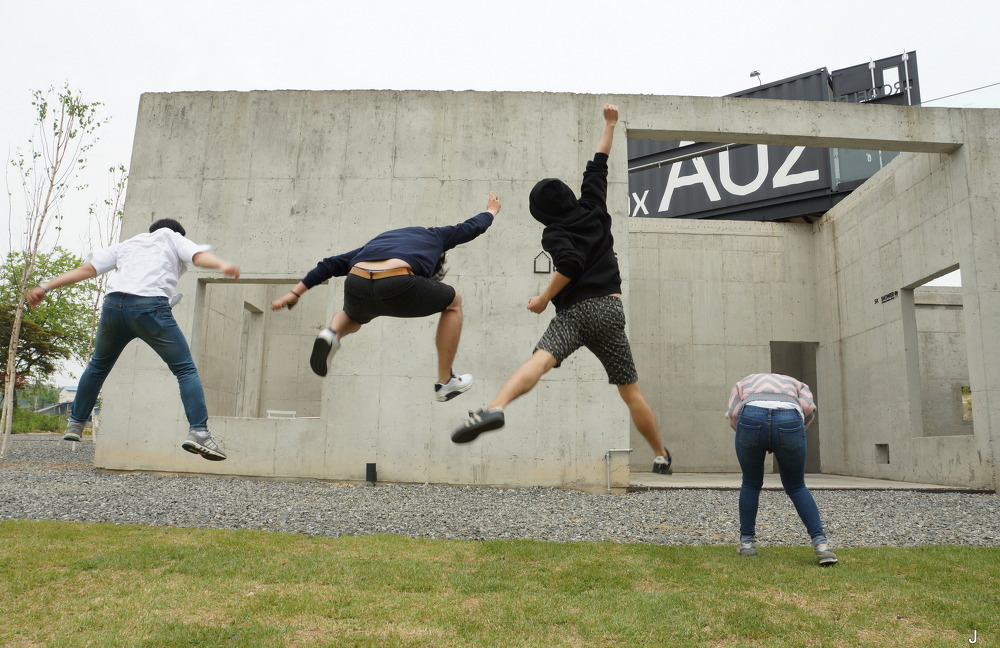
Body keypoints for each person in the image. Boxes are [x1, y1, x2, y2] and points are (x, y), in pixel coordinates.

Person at [450, 105, 672, 475]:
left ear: (542, 214)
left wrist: (543, 299)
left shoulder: (554, 232)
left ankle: (495, 407)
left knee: (538, 361)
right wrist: (610, 124)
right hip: (609, 310)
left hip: (575, 314)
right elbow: (599, 161)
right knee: (630, 391)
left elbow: (571, 264)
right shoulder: (593, 205)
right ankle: (661, 454)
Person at [25, 219, 241, 461]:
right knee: (185, 369)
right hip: (150, 308)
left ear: (150, 231)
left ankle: (75, 423)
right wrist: (222, 264)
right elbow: (198, 257)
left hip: (113, 308)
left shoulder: (128, 244)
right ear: (178, 233)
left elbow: (88, 270)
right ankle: (199, 433)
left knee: (97, 366)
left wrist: (45, 287)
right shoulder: (172, 238)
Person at [271, 193, 501, 401]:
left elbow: (328, 265)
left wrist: (294, 294)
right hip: (397, 280)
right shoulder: (437, 236)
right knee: (454, 302)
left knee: (353, 317)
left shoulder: (375, 243)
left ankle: (332, 333)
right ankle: (445, 382)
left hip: (357, 279)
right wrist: (491, 211)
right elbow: (471, 227)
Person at [725, 373, 838, 566]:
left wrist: (745, 433)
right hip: (790, 418)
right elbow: (809, 409)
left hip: (751, 416)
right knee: (796, 486)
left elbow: (733, 414)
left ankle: (747, 544)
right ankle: (822, 546)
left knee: (751, 483)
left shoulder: (744, 382)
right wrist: (796, 433)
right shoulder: (798, 384)